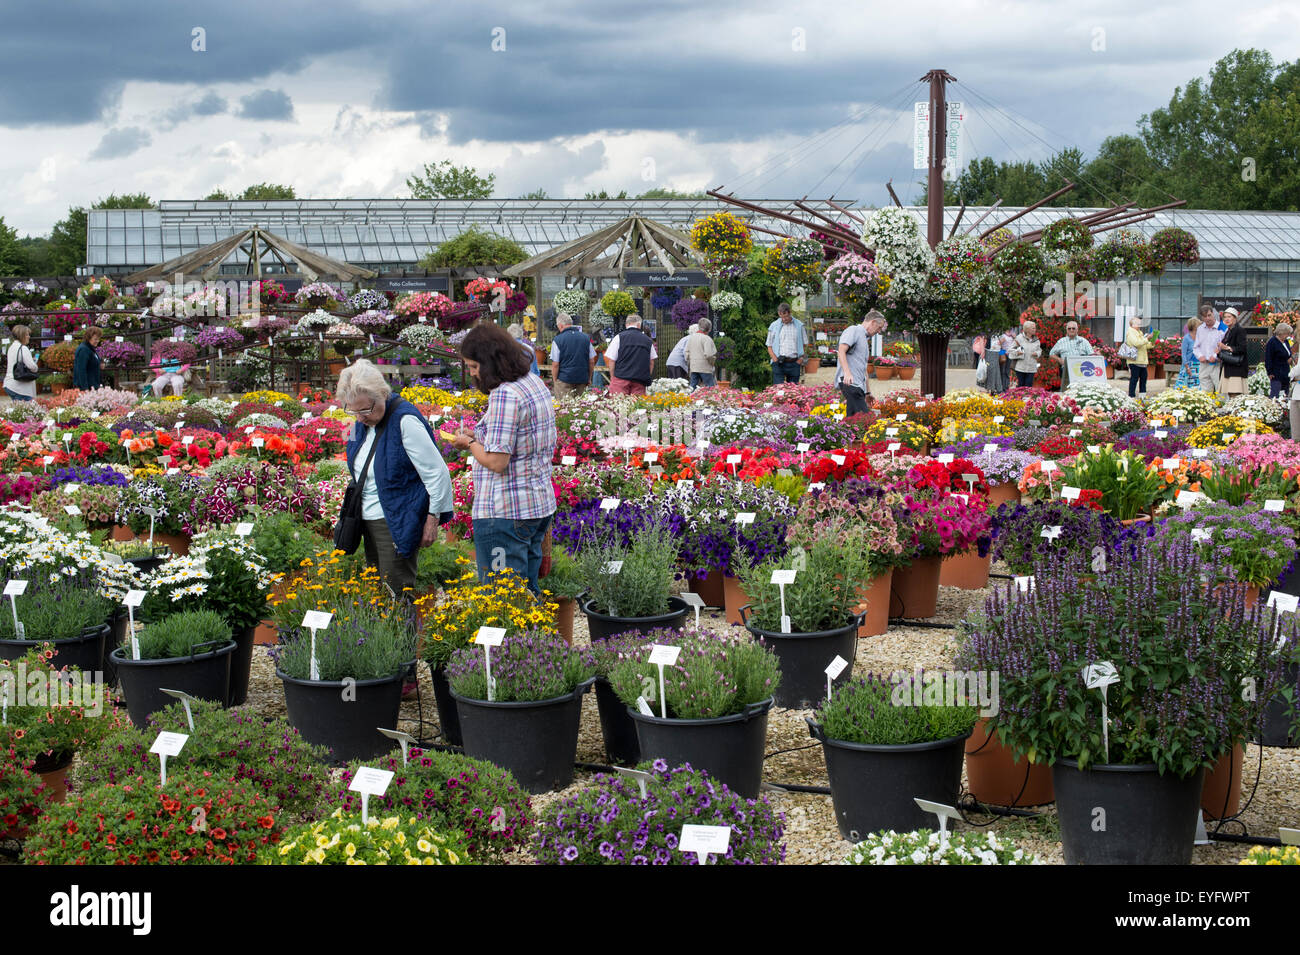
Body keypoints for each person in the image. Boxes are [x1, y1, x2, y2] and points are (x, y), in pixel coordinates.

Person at [451, 322, 558, 594]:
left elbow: (497, 462)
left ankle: (512, 637)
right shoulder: (532, 382)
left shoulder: (505, 394)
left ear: (491, 361)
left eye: (475, 367)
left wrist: (471, 443)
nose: (474, 375)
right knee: (528, 592)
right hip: (536, 505)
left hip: (505, 512)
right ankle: (532, 638)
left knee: (504, 599)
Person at [337, 359, 455, 599]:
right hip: (366, 518)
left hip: (395, 520)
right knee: (378, 594)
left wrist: (432, 519)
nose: (359, 417)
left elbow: (437, 474)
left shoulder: (405, 421)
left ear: (382, 394)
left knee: (397, 595)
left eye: (365, 410)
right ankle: (381, 638)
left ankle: (402, 638)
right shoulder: (363, 422)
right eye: (353, 410)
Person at [835, 310, 887, 416]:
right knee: (864, 418)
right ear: (872, 322)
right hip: (850, 383)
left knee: (853, 420)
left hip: (857, 386)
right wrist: (847, 373)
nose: (879, 331)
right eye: (879, 327)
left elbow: (863, 369)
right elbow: (841, 350)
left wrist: (868, 393)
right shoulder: (853, 330)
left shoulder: (864, 338)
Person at [603, 315, 657, 396]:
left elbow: (611, 360)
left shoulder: (619, 338)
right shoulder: (648, 340)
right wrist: (646, 376)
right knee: (637, 406)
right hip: (639, 380)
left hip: (621, 379)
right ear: (639, 325)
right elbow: (651, 361)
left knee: (619, 405)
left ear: (626, 324)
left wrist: (613, 377)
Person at [549, 312, 597, 400]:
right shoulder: (586, 338)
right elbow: (592, 361)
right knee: (580, 409)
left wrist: (555, 380)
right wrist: (589, 378)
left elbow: (555, 364)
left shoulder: (557, 340)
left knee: (564, 409)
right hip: (582, 378)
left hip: (564, 380)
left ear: (560, 325)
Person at [765, 303, 807, 384]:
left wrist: (800, 359)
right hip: (778, 362)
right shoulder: (774, 326)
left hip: (794, 362)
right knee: (778, 391)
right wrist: (775, 360)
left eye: (786, 316)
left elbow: (804, 344)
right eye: (781, 317)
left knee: (793, 392)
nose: (784, 319)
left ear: (790, 312)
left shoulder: (799, 325)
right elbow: (769, 345)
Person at [1048, 320, 1094, 389]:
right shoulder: (1061, 341)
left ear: (1077, 330)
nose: (1071, 330)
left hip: (1082, 370)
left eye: (1073, 328)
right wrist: (1059, 359)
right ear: (1066, 330)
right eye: (1069, 328)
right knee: (1067, 390)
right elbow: (1051, 354)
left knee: (1081, 390)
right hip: (1066, 369)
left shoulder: (1084, 341)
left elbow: (1091, 354)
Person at [1194, 304, 1229, 393]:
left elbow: (1225, 345)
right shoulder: (1200, 329)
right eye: (1204, 316)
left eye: (1209, 315)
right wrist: (1200, 356)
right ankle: (1209, 406)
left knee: (1220, 390)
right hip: (1204, 364)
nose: (1207, 318)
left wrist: (1215, 356)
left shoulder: (1222, 328)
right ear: (1201, 318)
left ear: (1213, 314)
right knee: (1205, 392)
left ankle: (1222, 406)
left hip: (1217, 364)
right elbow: (1196, 347)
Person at [4, 324, 38, 402]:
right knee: (28, 411)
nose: (29, 336)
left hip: (10, 384)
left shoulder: (11, 347)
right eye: (27, 335)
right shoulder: (23, 348)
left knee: (18, 409)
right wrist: (35, 364)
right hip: (20, 387)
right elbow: (32, 367)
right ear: (21, 336)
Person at [1219, 307, 1248, 395]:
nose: (1227, 319)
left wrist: (1226, 348)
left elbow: (1242, 348)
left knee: (1235, 394)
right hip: (1229, 367)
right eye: (1225, 317)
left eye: (1229, 317)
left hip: (1236, 369)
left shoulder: (1239, 330)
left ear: (1235, 318)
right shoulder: (1228, 331)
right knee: (1230, 394)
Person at [685, 317, 718, 389]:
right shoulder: (707, 339)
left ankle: (690, 400)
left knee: (692, 388)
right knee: (710, 388)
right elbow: (709, 354)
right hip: (705, 367)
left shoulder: (691, 338)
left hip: (693, 367)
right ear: (709, 328)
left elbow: (686, 353)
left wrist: (690, 362)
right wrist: (712, 362)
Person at [1124, 315, 1152, 397]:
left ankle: (1142, 396)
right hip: (1134, 361)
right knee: (1134, 379)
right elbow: (1136, 343)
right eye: (1137, 322)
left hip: (1142, 360)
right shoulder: (1131, 333)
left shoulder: (1140, 333)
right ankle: (1131, 396)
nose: (1139, 324)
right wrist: (1147, 339)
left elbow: (1144, 345)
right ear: (1132, 325)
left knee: (1143, 379)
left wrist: (1152, 343)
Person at [1266, 322, 1294, 400]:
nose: (1288, 336)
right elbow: (1268, 357)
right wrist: (1270, 372)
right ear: (1281, 333)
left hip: (1285, 372)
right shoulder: (1272, 342)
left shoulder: (1286, 342)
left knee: (1285, 395)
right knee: (1275, 395)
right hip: (1276, 373)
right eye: (1287, 334)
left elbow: (1288, 354)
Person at [1011, 321, 1042, 388]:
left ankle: (1027, 398)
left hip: (1031, 367)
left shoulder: (1036, 340)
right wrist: (1017, 352)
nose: (1035, 330)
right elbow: (1011, 349)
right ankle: (1019, 398)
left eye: (1035, 328)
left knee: (1029, 386)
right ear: (1027, 329)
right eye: (1033, 328)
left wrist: (1037, 353)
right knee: (1021, 386)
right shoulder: (1019, 338)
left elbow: (1039, 350)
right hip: (1020, 367)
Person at [73, 325, 103, 391]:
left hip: (93, 386)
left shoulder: (91, 348)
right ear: (89, 338)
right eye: (95, 339)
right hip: (87, 387)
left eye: (98, 339)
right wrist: (85, 389)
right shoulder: (83, 350)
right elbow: (81, 370)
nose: (97, 341)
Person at [1174, 317, 1201, 389]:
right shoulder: (1186, 338)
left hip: (1198, 365)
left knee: (1197, 386)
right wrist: (1187, 367)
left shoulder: (1200, 337)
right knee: (1184, 385)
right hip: (1189, 365)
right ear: (1194, 326)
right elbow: (1184, 354)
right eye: (1198, 325)